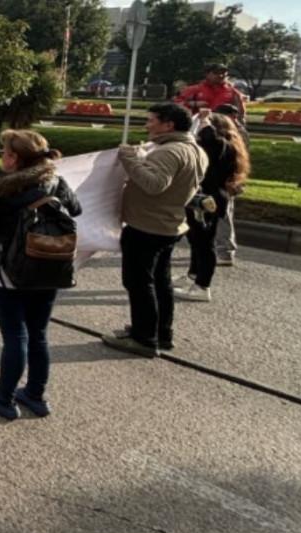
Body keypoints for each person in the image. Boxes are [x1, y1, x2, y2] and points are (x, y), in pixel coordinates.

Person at [0, 130, 82, 420]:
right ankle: (35, 394)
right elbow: (76, 210)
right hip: (52, 264)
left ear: (14, 158)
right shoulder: (55, 180)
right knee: (38, 333)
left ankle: (3, 398)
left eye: (2, 151)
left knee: (15, 334)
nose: (1, 156)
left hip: (10, 270)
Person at [102, 103, 208, 358]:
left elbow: (154, 185)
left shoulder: (169, 152)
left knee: (138, 282)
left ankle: (144, 339)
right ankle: (161, 332)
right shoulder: (194, 149)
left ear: (168, 124)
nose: (147, 125)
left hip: (147, 227)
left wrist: (128, 158)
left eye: (151, 120)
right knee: (160, 282)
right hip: (168, 224)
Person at [174, 113, 250, 302]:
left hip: (209, 200)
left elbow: (210, 139)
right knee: (195, 241)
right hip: (205, 198)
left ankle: (202, 285)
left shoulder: (221, 145)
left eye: (205, 126)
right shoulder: (223, 145)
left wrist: (205, 122)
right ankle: (193, 275)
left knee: (204, 243)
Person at [211, 103, 248, 266]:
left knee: (223, 216)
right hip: (232, 178)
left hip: (225, 179)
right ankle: (221, 248)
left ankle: (225, 251)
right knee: (224, 214)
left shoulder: (228, 134)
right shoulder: (237, 132)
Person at [174, 63, 246, 122]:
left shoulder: (233, 91)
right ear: (207, 74)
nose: (220, 75)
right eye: (216, 73)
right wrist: (193, 104)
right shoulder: (194, 89)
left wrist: (240, 122)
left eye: (224, 73)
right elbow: (176, 105)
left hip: (224, 126)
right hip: (199, 125)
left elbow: (241, 111)